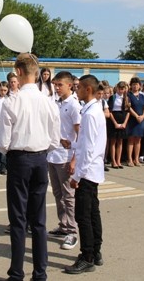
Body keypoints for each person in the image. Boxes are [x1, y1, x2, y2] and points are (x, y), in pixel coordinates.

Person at [0, 52, 61, 281]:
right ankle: (40, 274)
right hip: (41, 158)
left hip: (20, 159)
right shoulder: (48, 101)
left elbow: (3, 142)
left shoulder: (12, 101)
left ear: (20, 73)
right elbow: (55, 138)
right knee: (39, 220)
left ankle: (16, 274)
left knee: (18, 220)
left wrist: (11, 150)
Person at [64, 74, 106, 275]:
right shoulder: (94, 109)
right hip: (92, 169)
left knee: (83, 216)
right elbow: (87, 143)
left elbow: (88, 149)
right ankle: (96, 251)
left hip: (87, 173)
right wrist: (71, 144)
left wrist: (77, 176)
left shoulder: (89, 114)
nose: (76, 90)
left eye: (79, 87)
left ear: (88, 90)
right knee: (93, 213)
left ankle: (87, 256)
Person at [47, 71, 81, 251]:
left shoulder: (74, 105)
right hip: (53, 155)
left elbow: (80, 134)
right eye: (55, 85)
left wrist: (75, 159)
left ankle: (72, 231)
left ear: (70, 85)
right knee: (58, 194)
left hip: (66, 158)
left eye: (60, 85)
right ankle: (63, 225)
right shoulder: (56, 102)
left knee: (69, 196)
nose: (57, 88)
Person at [106, 82, 129, 169]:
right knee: (113, 141)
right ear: (117, 88)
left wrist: (124, 123)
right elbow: (110, 111)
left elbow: (128, 112)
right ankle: (113, 161)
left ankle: (118, 161)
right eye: (120, 88)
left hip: (122, 119)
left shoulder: (126, 98)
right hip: (114, 119)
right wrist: (115, 123)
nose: (121, 90)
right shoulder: (113, 97)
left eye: (123, 89)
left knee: (120, 141)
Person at [126, 77, 144, 166]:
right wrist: (136, 116)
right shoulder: (128, 95)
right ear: (131, 85)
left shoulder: (142, 96)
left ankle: (136, 159)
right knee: (131, 139)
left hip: (141, 120)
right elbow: (128, 107)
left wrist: (142, 116)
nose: (135, 86)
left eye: (137, 84)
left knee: (138, 140)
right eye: (133, 84)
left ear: (139, 86)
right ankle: (130, 159)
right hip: (132, 120)